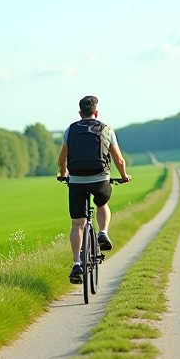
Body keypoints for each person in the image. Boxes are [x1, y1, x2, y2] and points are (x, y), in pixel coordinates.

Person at [57, 95, 130, 284]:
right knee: (102, 203)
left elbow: (61, 159)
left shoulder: (70, 130)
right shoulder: (106, 129)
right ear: (96, 113)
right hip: (100, 180)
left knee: (77, 224)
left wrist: (63, 173)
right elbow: (119, 160)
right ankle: (103, 232)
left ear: (80, 113)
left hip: (76, 182)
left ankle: (76, 264)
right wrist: (123, 176)